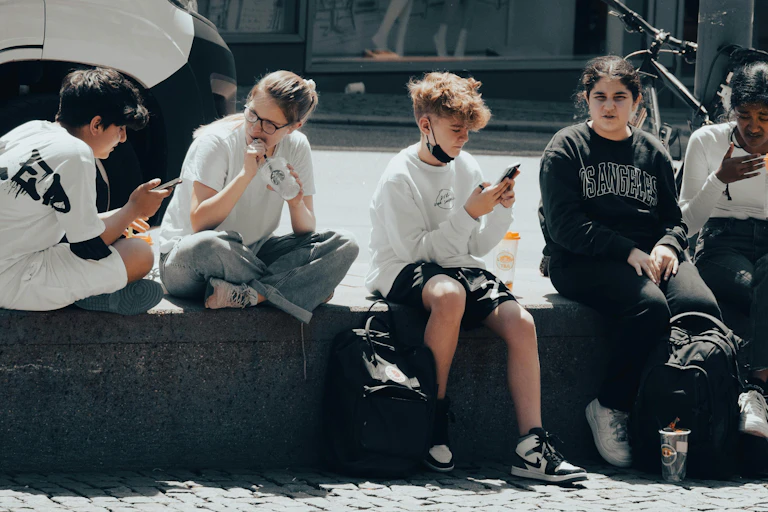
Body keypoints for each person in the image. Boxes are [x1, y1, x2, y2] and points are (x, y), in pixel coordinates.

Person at [366, 71, 586, 484]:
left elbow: (479, 246)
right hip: (399, 267)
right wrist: (468, 212)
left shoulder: (465, 164)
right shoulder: (399, 176)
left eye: (468, 130)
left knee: (521, 321)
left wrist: (499, 207)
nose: (464, 138)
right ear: (425, 124)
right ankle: (433, 418)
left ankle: (531, 445)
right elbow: (416, 252)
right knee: (449, 296)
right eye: (456, 129)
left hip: (456, 265)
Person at [539, 56, 722, 468]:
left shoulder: (652, 150)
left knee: (702, 307)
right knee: (649, 308)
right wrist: (626, 250)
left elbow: (673, 220)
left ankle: (674, 408)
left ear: (636, 102)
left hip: (648, 255)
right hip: (581, 259)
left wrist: (669, 246)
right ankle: (610, 405)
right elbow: (564, 226)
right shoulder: (566, 147)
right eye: (599, 96)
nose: (609, 106)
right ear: (586, 99)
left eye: (619, 97)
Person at [156, 71, 358, 323]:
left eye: (270, 125)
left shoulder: (296, 146)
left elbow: (306, 230)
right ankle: (294, 288)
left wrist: (295, 201)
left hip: (252, 252)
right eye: (252, 114)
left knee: (345, 243)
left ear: (294, 126)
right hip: (187, 261)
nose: (256, 129)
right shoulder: (216, 142)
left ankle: (253, 295)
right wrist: (245, 175)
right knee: (211, 244)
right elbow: (200, 223)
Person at [0, 67, 169, 315]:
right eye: (120, 128)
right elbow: (89, 247)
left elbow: (67, 225)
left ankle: (93, 289)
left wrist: (123, 215)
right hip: (12, 279)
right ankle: (93, 293)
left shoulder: (33, 130)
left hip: (12, 260)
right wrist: (133, 210)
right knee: (140, 254)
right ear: (96, 124)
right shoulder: (75, 154)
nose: (122, 139)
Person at [679, 61, 768, 439]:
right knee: (757, 287)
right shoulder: (708, 141)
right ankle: (757, 392)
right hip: (720, 242)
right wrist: (720, 178)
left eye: (765, 116)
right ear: (731, 111)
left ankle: (757, 391)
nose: (754, 127)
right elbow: (686, 222)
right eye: (744, 115)